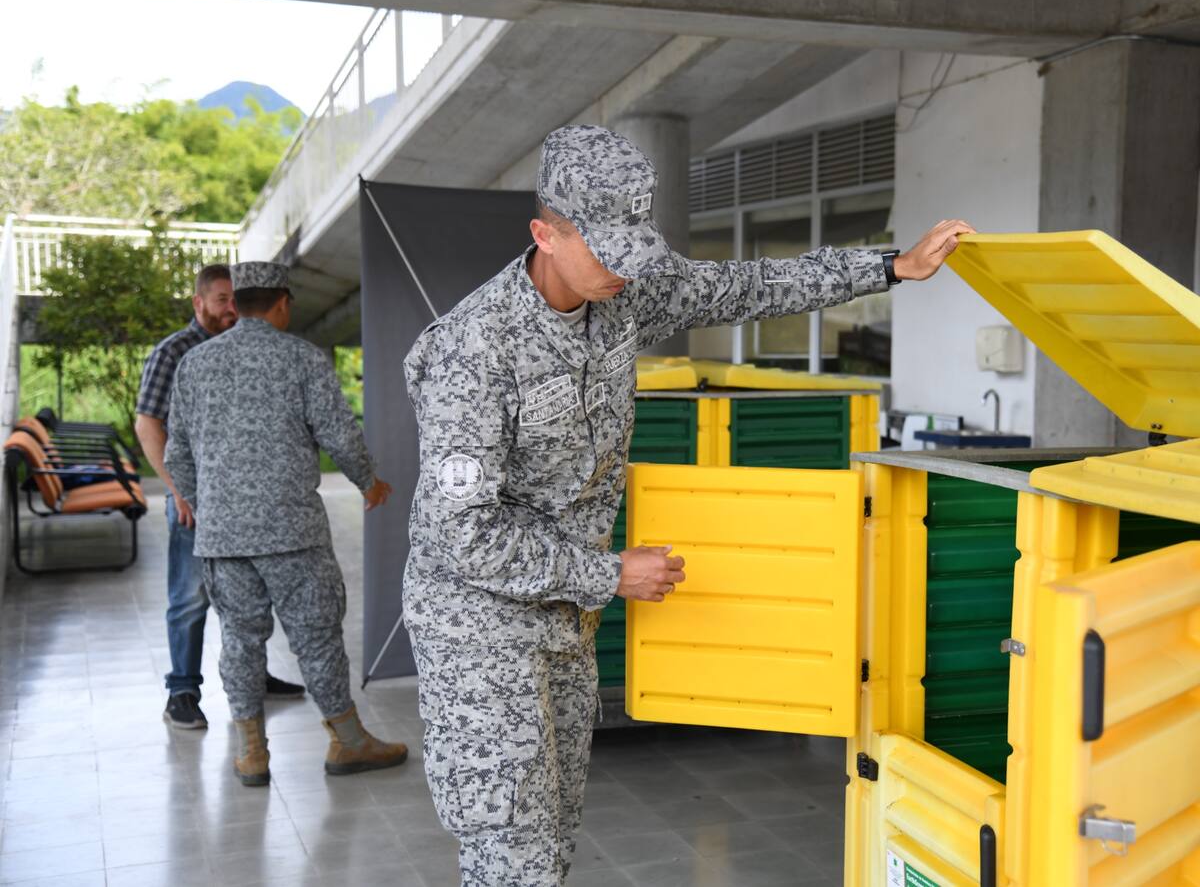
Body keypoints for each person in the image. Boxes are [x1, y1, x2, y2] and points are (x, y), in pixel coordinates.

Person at [403, 125, 975, 886]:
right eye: (605, 251)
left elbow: (749, 287)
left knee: (553, 833)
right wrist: (610, 574)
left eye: (634, 248)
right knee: (512, 848)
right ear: (545, 235)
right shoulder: (473, 351)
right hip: (477, 622)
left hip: (564, 615)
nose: (625, 268)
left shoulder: (623, 290)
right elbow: (463, 536)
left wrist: (891, 267)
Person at [164, 261, 407, 786]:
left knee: (239, 639)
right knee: (317, 637)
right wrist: (369, 483)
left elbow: (176, 454)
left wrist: (213, 508)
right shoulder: (301, 358)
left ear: (236, 304)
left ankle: (252, 753)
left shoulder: (194, 364)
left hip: (223, 539)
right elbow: (338, 433)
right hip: (293, 533)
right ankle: (348, 742)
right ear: (282, 303)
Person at [135, 263, 304, 730]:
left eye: (236, 299)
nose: (232, 308)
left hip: (248, 503)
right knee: (190, 599)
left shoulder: (252, 348)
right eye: (222, 299)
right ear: (198, 302)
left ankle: (253, 677)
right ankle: (182, 692)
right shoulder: (174, 353)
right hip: (195, 503)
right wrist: (179, 490)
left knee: (247, 596)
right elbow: (148, 425)